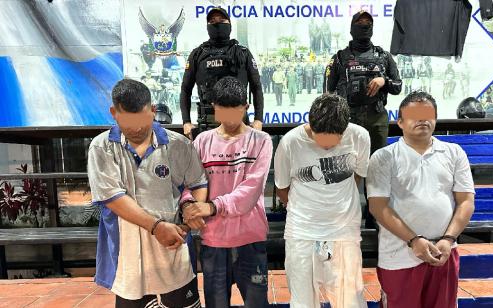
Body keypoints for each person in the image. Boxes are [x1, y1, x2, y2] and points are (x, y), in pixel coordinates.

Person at [88, 79, 208, 308]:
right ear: (114, 113)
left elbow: (198, 183)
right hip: (129, 255)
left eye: (142, 120)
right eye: (127, 121)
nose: (135, 128)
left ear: (152, 111)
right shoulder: (101, 147)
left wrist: (188, 220)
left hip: (173, 249)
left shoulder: (179, 145)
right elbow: (113, 198)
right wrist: (156, 227)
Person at [367, 91, 475, 308]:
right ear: (400, 122)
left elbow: (465, 202)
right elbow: (378, 207)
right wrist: (414, 240)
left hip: (444, 252)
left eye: (428, 114)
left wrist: (448, 239)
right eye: (415, 115)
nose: (422, 119)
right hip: (400, 256)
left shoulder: (454, 153)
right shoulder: (384, 157)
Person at [183, 76, 272, 308]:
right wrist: (188, 207)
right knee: (215, 304)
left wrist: (213, 207)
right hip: (213, 240)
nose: (231, 118)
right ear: (214, 107)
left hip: (250, 239)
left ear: (246, 107)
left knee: (257, 303)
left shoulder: (261, 141)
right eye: (224, 110)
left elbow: (252, 190)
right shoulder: (202, 141)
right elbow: (188, 184)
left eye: (236, 110)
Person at [274, 94, 371, 308]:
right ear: (311, 123)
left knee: (350, 301)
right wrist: (307, 210)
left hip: (344, 231)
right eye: (321, 138)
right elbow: (282, 188)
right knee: (303, 302)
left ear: (345, 128)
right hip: (302, 232)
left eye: (333, 139)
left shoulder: (360, 137)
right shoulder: (291, 142)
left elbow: (357, 176)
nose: (326, 146)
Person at [325, 10, 402, 155]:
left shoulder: (384, 56)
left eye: (368, 23)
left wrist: (384, 81)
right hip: (347, 121)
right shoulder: (339, 58)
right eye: (360, 23)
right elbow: (327, 94)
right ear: (352, 28)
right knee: (348, 167)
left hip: (377, 121)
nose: (364, 26)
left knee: (378, 166)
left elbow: (398, 86)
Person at [179, 7, 263, 138]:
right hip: (207, 124)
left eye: (221, 20)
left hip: (239, 124)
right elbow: (185, 89)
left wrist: (258, 119)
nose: (217, 23)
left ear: (229, 24)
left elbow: (256, 87)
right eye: (212, 21)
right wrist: (186, 122)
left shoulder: (242, 53)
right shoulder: (197, 54)